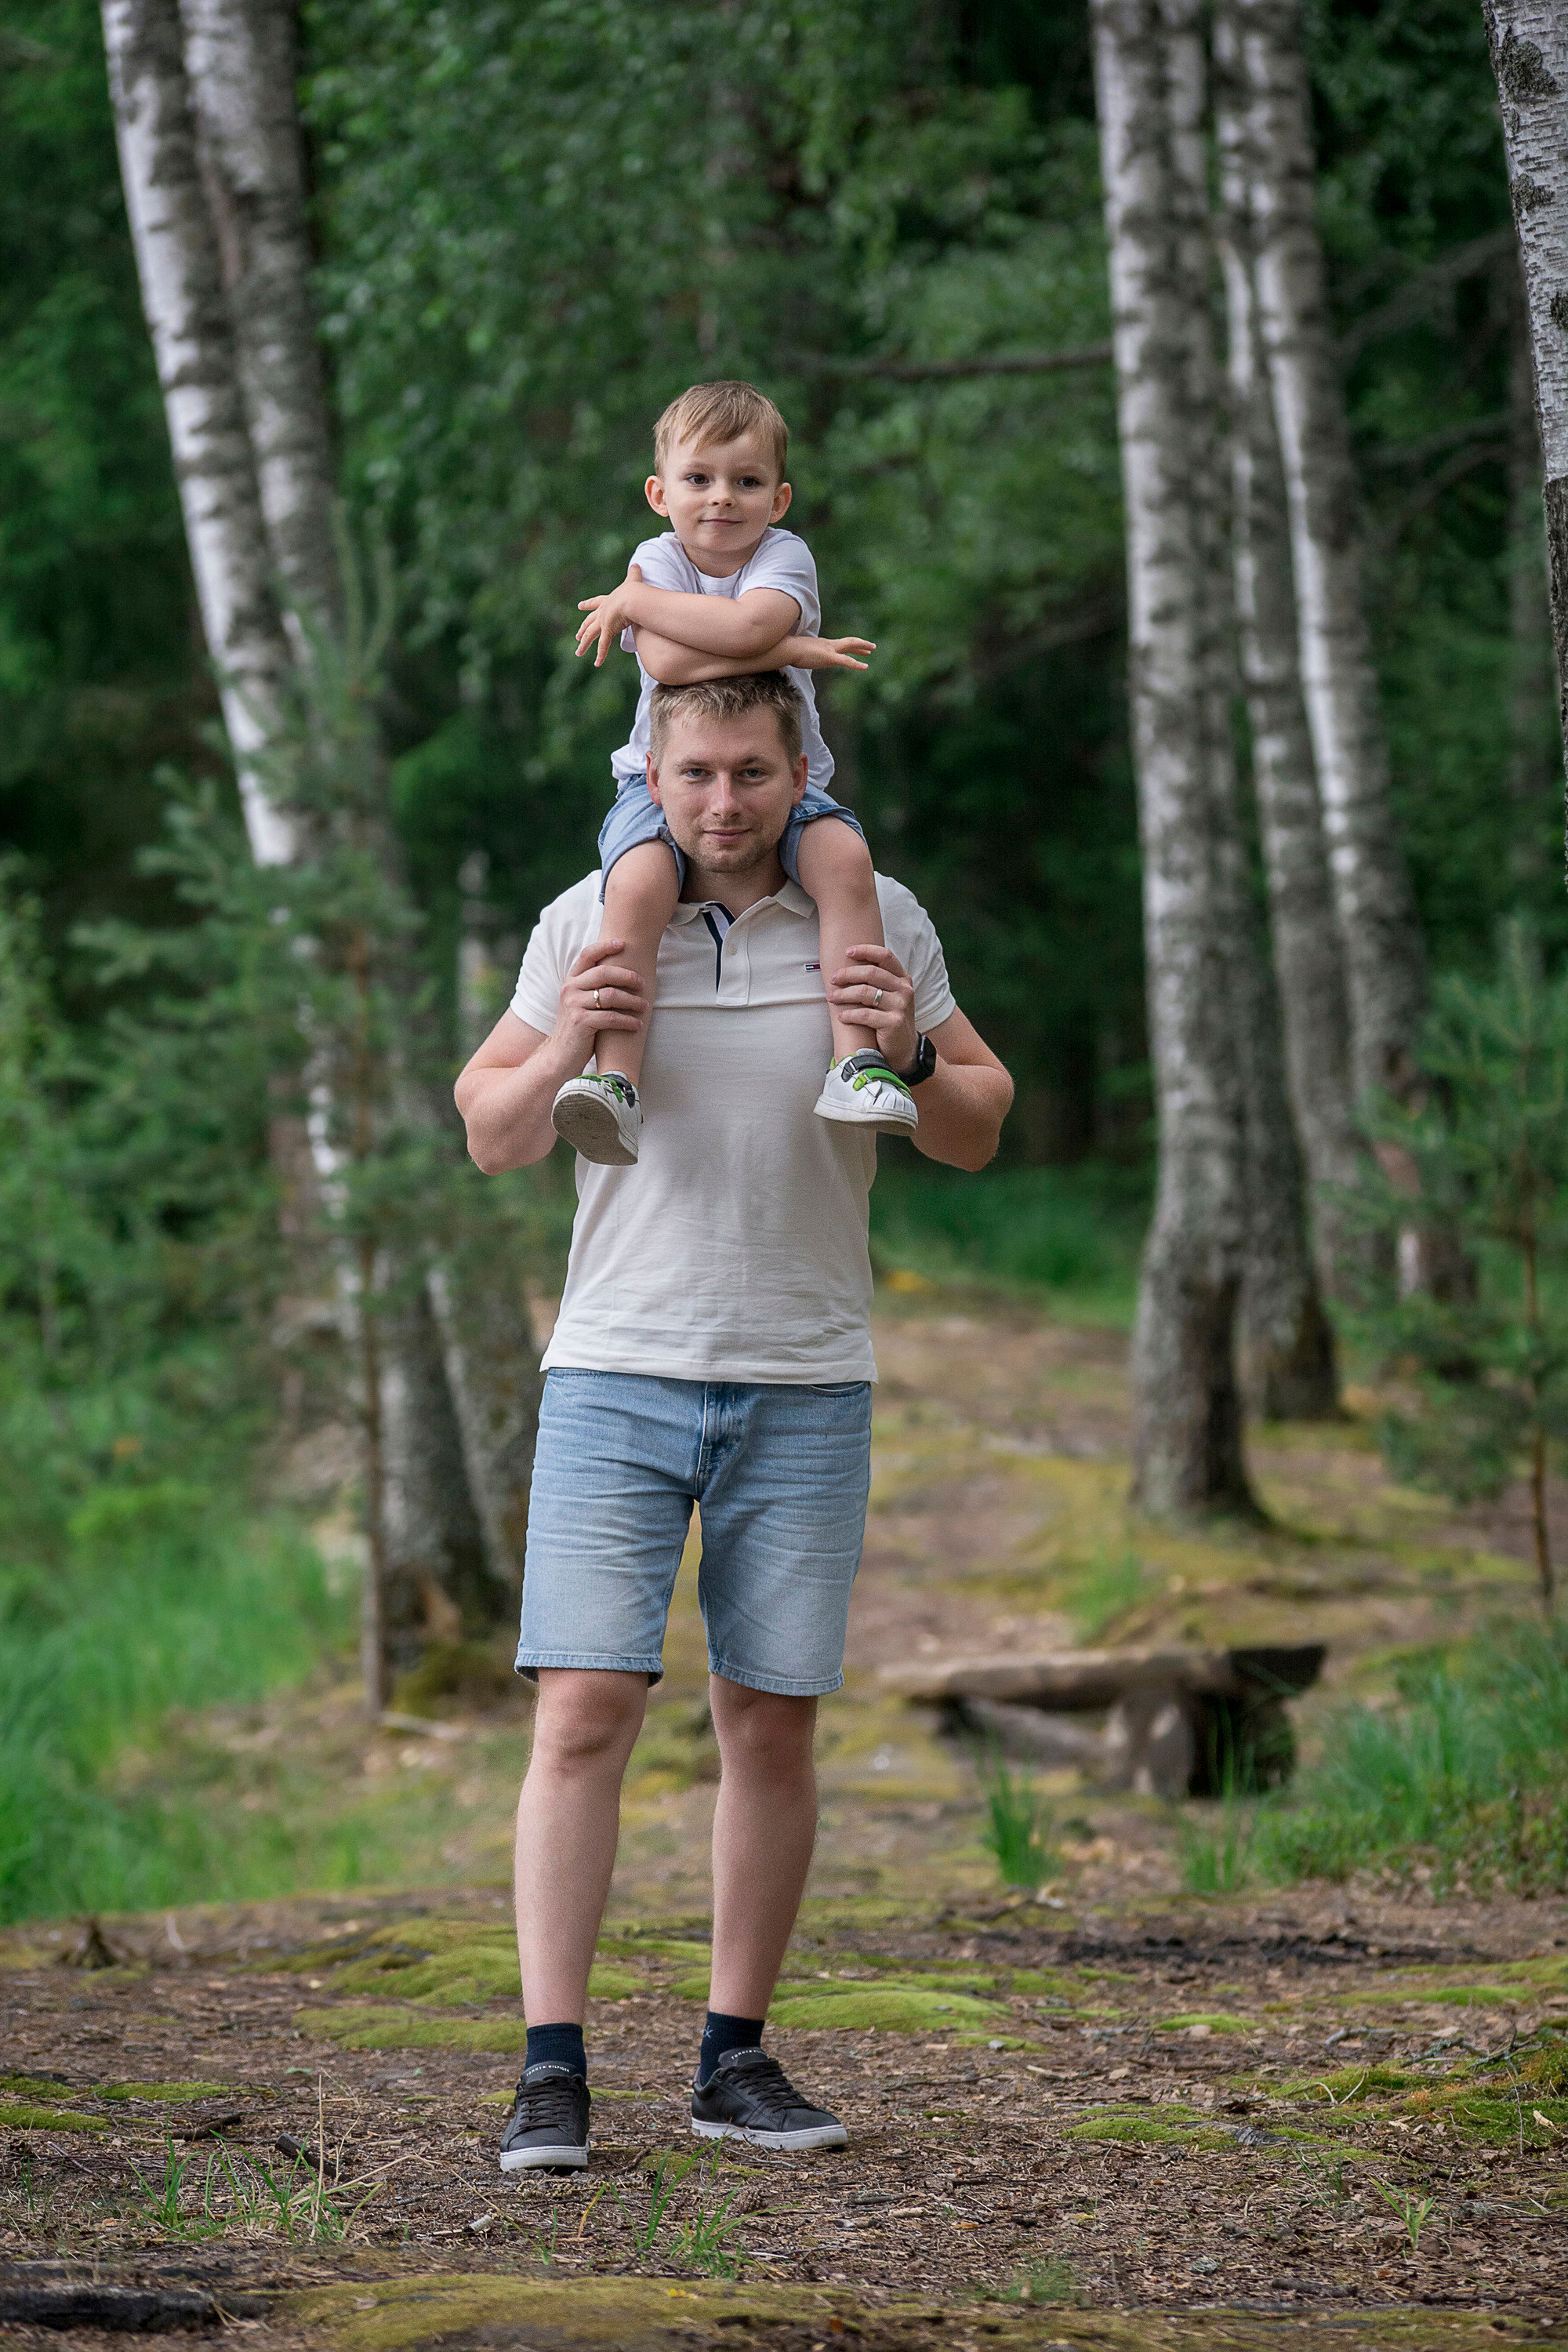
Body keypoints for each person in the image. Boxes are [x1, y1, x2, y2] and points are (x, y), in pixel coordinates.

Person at [455, 668, 1012, 2175]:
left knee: (769, 1721)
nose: (722, 803)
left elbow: (978, 1121)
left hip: (807, 1377)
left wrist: (899, 1048)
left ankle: (732, 2058)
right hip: (617, 1371)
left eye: (753, 773)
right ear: (655, 769)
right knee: (583, 1714)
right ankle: (551, 2071)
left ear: (797, 768)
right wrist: (575, 1034)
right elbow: (491, 1132)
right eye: (695, 773)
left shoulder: (872, 915)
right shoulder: (594, 915)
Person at [551, 377, 919, 1168]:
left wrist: (650, 607)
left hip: (785, 783)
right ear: (659, 493)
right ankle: (614, 1082)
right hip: (660, 786)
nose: (721, 499)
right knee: (638, 886)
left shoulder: (783, 556)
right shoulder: (653, 558)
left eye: (745, 482)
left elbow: (746, 621)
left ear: (778, 497)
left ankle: (855, 1060)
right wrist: (789, 650)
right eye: (698, 479)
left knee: (844, 861)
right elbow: (666, 659)